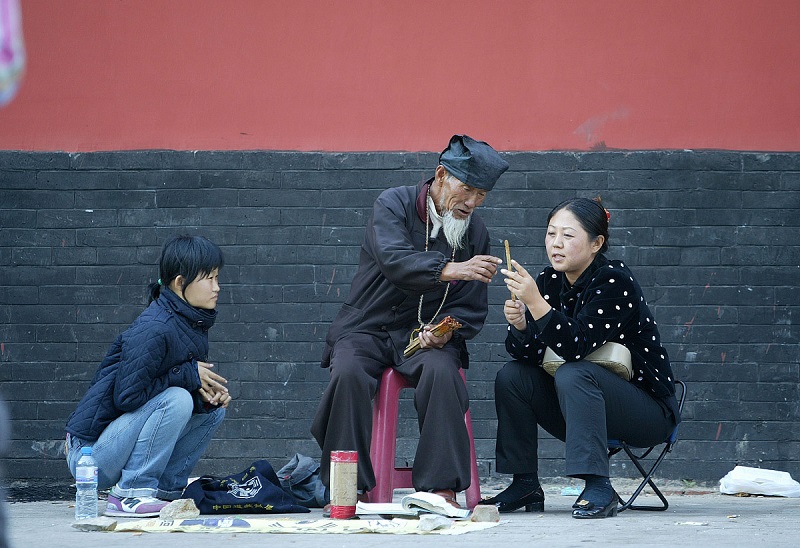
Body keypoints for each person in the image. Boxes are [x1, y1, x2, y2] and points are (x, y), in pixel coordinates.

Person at [311, 134, 509, 510]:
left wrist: (446, 330)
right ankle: (346, 486)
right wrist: (451, 269)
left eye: (481, 195)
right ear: (440, 175)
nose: (471, 203)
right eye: (466, 189)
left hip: (422, 338)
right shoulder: (394, 203)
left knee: (443, 372)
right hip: (366, 327)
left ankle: (440, 490)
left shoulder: (476, 233)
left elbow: (470, 307)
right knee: (348, 372)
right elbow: (393, 259)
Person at [481, 197, 680, 519]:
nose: (556, 244)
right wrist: (520, 325)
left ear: (595, 243)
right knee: (512, 376)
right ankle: (525, 484)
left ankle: (598, 484)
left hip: (646, 410)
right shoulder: (548, 282)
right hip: (581, 405)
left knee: (574, 372)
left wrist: (536, 304)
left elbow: (577, 346)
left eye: (568, 236)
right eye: (551, 234)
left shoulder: (614, 280)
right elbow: (528, 355)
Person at [65, 235, 231, 517]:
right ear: (180, 283)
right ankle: (130, 494)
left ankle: (165, 491)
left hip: (118, 442)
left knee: (212, 412)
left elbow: (167, 391)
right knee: (177, 398)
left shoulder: (190, 322)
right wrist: (187, 376)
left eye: (217, 278)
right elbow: (128, 398)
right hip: (90, 457)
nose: (217, 287)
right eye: (209, 279)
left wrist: (205, 398)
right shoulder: (154, 328)